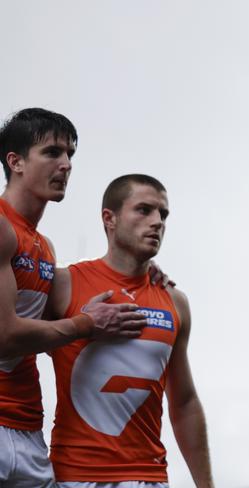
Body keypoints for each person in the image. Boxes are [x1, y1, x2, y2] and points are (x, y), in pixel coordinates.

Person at [0, 108, 148, 487]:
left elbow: (49, 328)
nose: (66, 164)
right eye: (52, 152)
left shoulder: (43, 247)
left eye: (70, 155)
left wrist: (143, 269)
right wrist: (87, 324)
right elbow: (5, 337)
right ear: (15, 162)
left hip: (27, 427)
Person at [46, 174, 214, 488]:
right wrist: (82, 325)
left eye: (163, 214)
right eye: (144, 210)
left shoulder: (175, 301)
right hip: (75, 476)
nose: (157, 222)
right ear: (109, 218)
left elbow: (184, 401)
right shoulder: (65, 284)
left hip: (149, 477)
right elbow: (12, 343)